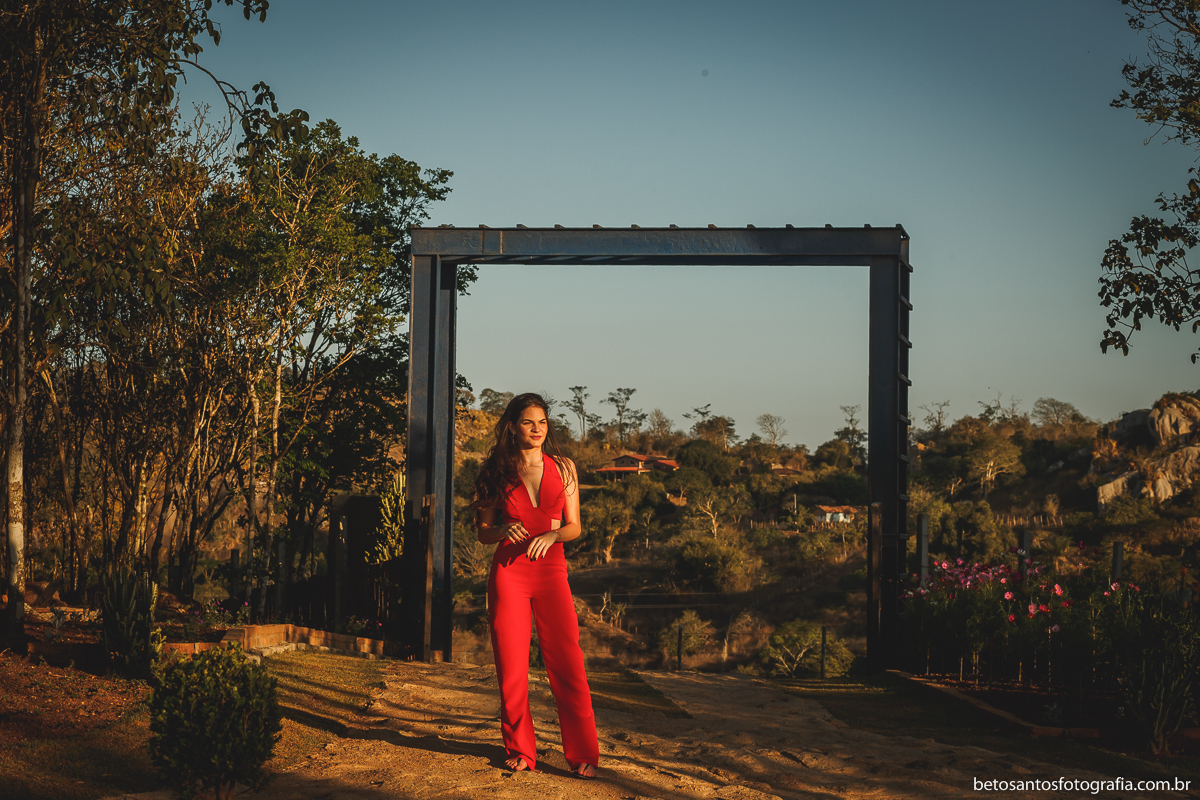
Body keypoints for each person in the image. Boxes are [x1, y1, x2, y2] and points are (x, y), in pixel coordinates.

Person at [470, 393, 599, 778]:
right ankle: (521, 749)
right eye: (528, 422)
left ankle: (583, 753)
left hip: (552, 572)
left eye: (542, 422)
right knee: (511, 666)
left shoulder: (564, 467)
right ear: (513, 427)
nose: (537, 429)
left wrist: (554, 534)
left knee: (568, 662)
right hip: (509, 573)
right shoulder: (494, 470)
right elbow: (483, 532)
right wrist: (501, 530)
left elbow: (574, 526)